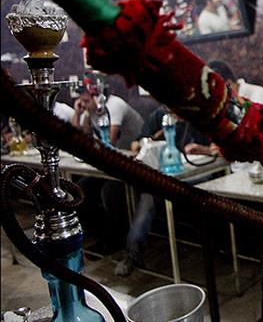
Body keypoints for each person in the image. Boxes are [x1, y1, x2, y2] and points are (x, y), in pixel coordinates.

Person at [115, 105, 211, 276]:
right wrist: (150, 141)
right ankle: (132, 253)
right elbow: (135, 144)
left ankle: (211, 249)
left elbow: (219, 150)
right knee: (149, 194)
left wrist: (201, 149)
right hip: (166, 178)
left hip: (199, 175)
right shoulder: (159, 115)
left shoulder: (200, 115)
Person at [70, 76, 144, 254]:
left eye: (86, 100)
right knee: (82, 189)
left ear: (97, 96)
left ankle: (116, 240)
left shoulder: (114, 105)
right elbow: (80, 135)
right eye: (81, 101)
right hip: (111, 164)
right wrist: (80, 114)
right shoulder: (92, 111)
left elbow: (110, 140)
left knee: (110, 192)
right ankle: (98, 235)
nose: (84, 104)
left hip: (133, 161)